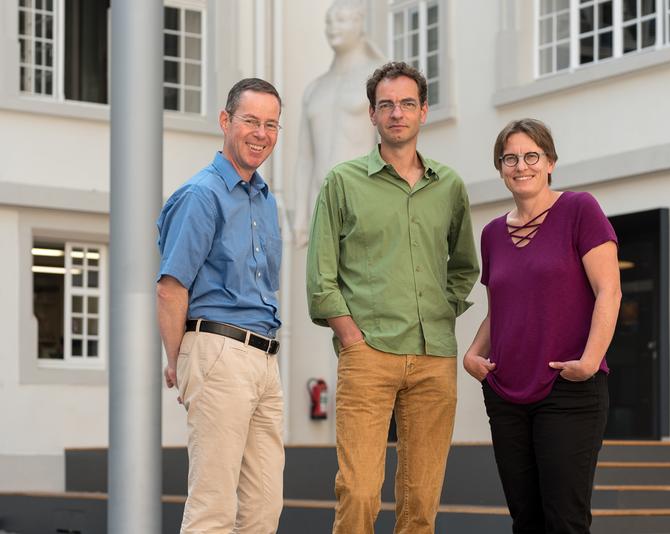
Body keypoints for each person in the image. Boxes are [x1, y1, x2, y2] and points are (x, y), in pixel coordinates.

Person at [306, 61, 480, 534]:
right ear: (372, 115)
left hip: (433, 358)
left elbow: (465, 265)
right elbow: (321, 275)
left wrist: (444, 311)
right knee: (360, 492)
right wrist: (350, 335)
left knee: (421, 499)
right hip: (368, 354)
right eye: (387, 105)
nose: (397, 113)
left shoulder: (449, 187)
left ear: (424, 111)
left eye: (407, 104)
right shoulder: (342, 182)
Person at [463, 119, 621, 533]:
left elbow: (610, 292)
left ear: (550, 161)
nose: (521, 166)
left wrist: (589, 362)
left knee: (564, 521)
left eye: (531, 156)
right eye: (510, 158)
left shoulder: (579, 210)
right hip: (506, 392)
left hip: (568, 389)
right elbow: (502, 308)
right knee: (526, 520)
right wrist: (473, 353)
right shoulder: (493, 233)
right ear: (500, 168)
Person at [156, 78, 285, 534]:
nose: (261, 133)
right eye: (251, 120)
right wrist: (179, 359)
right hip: (218, 351)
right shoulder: (201, 195)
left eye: (271, 124)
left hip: (265, 358)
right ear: (225, 121)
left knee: (263, 508)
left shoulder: (265, 200)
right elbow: (171, 287)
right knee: (213, 507)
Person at [292, 0, 384, 246]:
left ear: (359, 23)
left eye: (341, 20)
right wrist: (300, 215)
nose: (333, 27)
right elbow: (305, 157)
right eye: (329, 21)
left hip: (365, 198)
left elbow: (392, 144)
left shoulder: (379, 77)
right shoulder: (315, 89)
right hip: (320, 202)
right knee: (322, 282)